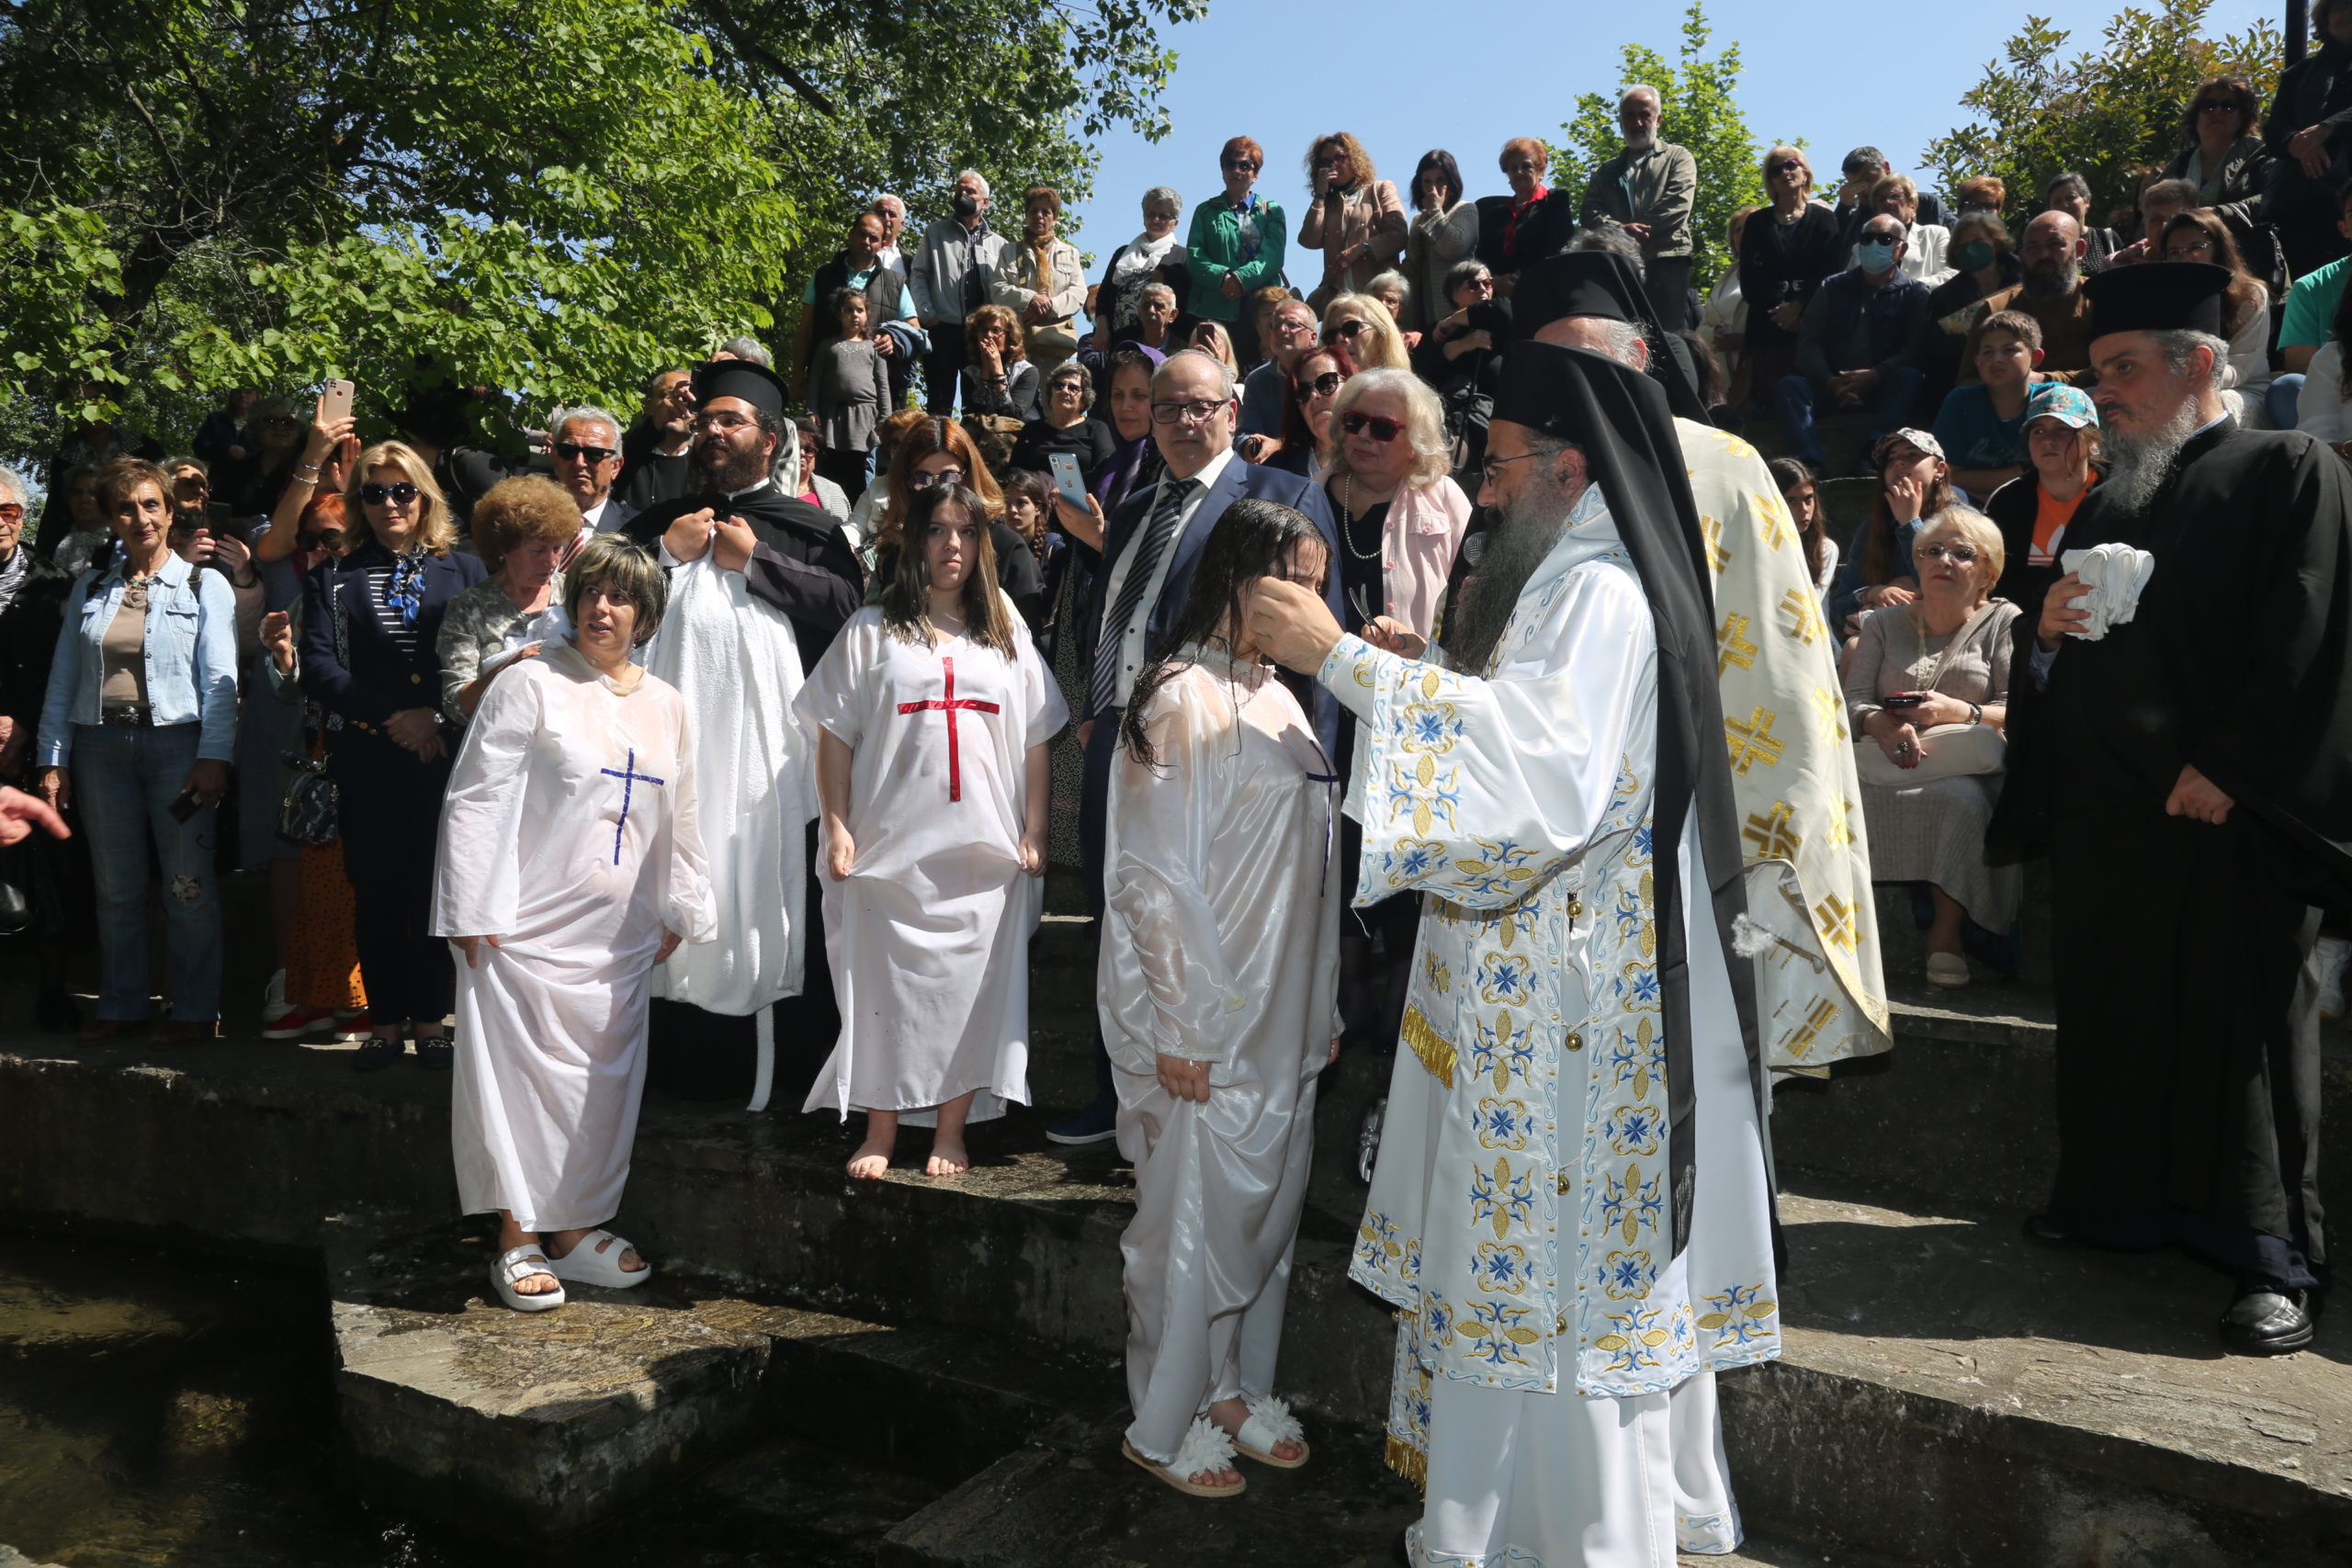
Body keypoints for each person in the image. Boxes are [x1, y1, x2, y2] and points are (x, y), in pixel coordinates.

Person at [1246, 339, 1777, 1567]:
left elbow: (1542, 780)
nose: (1482, 492)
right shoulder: (1571, 577)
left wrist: (1340, 661)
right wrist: (1421, 673)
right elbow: (1529, 725)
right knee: (1530, 1270)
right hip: (1546, 979)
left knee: (1552, 1282)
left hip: (1569, 1002)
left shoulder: (1599, 592)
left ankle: (1560, 1541)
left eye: (1499, 467)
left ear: (1568, 469)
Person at [1989, 260, 2352, 1355]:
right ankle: (2117, 1207)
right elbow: (2076, 661)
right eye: (2096, 373)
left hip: (2228, 819)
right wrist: (2043, 639)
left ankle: (2270, 1255)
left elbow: (2310, 640)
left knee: (2240, 1035)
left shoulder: (2287, 469)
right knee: (2118, 1013)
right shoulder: (2108, 499)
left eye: (2123, 370)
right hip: (2115, 821)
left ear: (2198, 364)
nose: (2102, 392)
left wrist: (2230, 769)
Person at [1520, 247, 1892, 1076]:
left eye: (1583, 357)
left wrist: (1785, 800)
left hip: (1704, 783)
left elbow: (1782, 653)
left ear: (1637, 357)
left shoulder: (1723, 465)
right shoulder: (1535, 466)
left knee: (1716, 1046)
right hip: (1580, 790)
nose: (1567, 383)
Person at [1047, 349, 1344, 1147]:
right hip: (1124, 735)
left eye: (1200, 406)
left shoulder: (1282, 496)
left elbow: (1318, 641)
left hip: (1227, 745)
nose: (1183, 420)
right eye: (1167, 407)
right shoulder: (1133, 506)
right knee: (1121, 908)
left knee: (1203, 914)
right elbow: (1114, 610)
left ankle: (1211, 1096)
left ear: (1232, 410)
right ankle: (1124, 1087)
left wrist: (1319, 768)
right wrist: (1098, 709)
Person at [1102, 500, 1339, 1495]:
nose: (1310, 603)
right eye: (1294, 582)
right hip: (1208, 1016)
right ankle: (1161, 1420)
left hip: (1284, 1012)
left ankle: (1230, 1390)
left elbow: (1316, 867)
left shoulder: (1283, 697)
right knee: (1189, 1221)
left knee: (1263, 1217)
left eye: (1319, 585)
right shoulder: (1178, 695)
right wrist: (1184, 1023)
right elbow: (1151, 876)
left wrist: (1321, 1007)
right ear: (1238, 579)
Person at [435, 535, 714, 1313]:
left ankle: (573, 1227)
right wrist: (469, 906)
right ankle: (517, 1234)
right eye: (591, 591)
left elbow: (682, 813)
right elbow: (477, 797)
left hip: (618, 935)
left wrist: (679, 902)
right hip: (523, 929)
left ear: (646, 615)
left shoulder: (668, 707)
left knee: (601, 1088)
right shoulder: (530, 683)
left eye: (621, 596)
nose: (602, 607)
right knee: (518, 1086)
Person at [797, 481, 1064, 1178]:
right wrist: (837, 825)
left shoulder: (1004, 632)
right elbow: (834, 736)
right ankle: (880, 1129)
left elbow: (1036, 737)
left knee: (970, 990)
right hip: (890, 843)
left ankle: (952, 1129)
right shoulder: (871, 630)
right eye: (939, 530)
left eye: (968, 532)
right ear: (914, 541)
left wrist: (1036, 828)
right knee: (883, 987)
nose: (953, 545)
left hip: (983, 849)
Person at [623, 359, 862, 1107]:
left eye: (732, 420)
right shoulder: (658, 524)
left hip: (770, 779)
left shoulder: (808, 529)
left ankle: (776, 1083)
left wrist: (757, 560)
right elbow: (600, 603)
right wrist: (665, 556)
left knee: (765, 906)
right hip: (667, 769)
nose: (714, 431)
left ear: (770, 439)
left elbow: (848, 609)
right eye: (708, 419)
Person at [33, 458, 237, 1045]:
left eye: (151, 504)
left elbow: (221, 680)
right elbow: (63, 679)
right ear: (110, 518)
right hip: (99, 749)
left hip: (179, 749)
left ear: (170, 512)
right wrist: (53, 759)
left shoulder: (205, 584)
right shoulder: (90, 588)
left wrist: (214, 756)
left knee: (187, 888)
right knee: (116, 891)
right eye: (126, 507)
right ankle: (122, 1005)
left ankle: (194, 1011)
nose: (140, 517)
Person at [296, 442, 482, 1068]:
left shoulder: (466, 571)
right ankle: (384, 1025)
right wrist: (394, 718)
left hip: (445, 756)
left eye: (403, 490)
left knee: (435, 891)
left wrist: (434, 715)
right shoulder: (332, 576)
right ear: (359, 503)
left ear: (425, 497)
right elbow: (318, 666)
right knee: (376, 895)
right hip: (369, 758)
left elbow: (485, 658)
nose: (390, 503)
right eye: (375, 492)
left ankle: (431, 1022)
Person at [1320, 369, 1468, 1062]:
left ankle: (1401, 1021)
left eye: (1384, 428)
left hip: (1412, 711)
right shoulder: (1315, 496)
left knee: (1404, 856)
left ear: (1418, 441)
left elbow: (1473, 609)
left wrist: (1423, 647)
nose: (1364, 438)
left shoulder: (1446, 501)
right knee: (1341, 857)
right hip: (1328, 709)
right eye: (1353, 423)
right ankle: (1349, 1003)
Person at [1843, 510, 2019, 988]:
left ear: (1988, 572)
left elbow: (2018, 707)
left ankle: (1946, 933)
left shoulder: (2003, 621)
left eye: (1963, 553)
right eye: (1933, 551)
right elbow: (1853, 700)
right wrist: (1880, 723)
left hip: (1966, 766)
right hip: (1885, 759)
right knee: (1838, 800)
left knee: (1959, 800)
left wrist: (1957, 711)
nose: (1944, 561)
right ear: (1918, 563)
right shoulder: (1882, 623)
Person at [0, 465, 78, 1030]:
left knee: (50, 871)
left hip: (36, 746)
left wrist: (23, 724)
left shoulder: (56, 584)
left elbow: (67, 669)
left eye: (8, 511)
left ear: (23, 517)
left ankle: (54, 991)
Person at [1776, 214, 1931, 468]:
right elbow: (1809, 341)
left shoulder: (1915, 293)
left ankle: (1873, 453)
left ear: (1901, 249)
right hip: (1831, 387)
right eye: (1867, 239)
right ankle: (1808, 464)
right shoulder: (1832, 286)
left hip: (1882, 388)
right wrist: (1829, 381)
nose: (1873, 245)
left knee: (1909, 378)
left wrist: (1877, 374)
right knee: (1790, 387)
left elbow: (1915, 348)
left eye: (1884, 239)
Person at [437, 475, 577, 724]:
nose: (551, 561)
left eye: (558, 548)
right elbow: (456, 704)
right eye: (538, 550)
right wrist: (510, 668)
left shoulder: (574, 592)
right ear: (503, 546)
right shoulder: (469, 607)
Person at [1579, 86, 1700, 326]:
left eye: (1645, 114)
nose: (1637, 122)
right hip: (1619, 264)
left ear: (1658, 119)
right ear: (1620, 122)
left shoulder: (1678, 157)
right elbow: (1589, 211)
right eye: (1630, 116)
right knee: (1624, 335)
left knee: (1668, 336)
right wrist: (1619, 230)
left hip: (1666, 259)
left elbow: (1677, 204)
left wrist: (1635, 231)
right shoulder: (1606, 171)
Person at [1739, 146, 1845, 411]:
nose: (1785, 172)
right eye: (1776, 170)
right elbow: (1751, 276)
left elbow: (1831, 271)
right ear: (1770, 180)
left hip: (1815, 325)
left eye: (1791, 165)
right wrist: (1782, 310)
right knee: (1767, 405)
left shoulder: (1825, 219)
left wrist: (1799, 306)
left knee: (1812, 402)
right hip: (1766, 328)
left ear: (1805, 172)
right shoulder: (1757, 222)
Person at [1984, 383, 2101, 617]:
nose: (2048, 440)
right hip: (2025, 627)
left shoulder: (2121, 494)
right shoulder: (2006, 502)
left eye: (2063, 429)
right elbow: (1991, 582)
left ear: (2092, 442)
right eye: (2038, 431)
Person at [1828, 429, 1955, 636]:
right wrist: (1873, 593)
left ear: (1939, 470)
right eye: (1891, 459)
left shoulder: (1962, 521)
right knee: (1854, 644)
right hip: (1891, 637)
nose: (1899, 463)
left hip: (1946, 633)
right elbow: (1839, 606)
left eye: (1912, 455)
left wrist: (1910, 523)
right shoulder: (1873, 528)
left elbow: (1950, 589)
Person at [2159, 210, 2275, 425]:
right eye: (2174, 252)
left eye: (2196, 248)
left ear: (2219, 249)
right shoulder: (2161, 301)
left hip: (2241, 391)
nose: (2185, 258)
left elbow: (2241, 369)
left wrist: (2186, 379)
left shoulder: (2250, 295)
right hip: (2172, 390)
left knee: (2198, 407)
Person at [793, 211, 918, 411]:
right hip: (826, 388)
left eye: (873, 238)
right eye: (862, 234)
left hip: (876, 396)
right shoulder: (823, 276)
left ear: (883, 244)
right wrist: (797, 375)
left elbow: (915, 329)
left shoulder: (896, 284)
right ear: (851, 234)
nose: (866, 241)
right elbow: (805, 329)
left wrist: (895, 339)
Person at [2262, 0, 2352, 276]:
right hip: (2297, 208)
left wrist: (2327, 128)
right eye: (2338, 5)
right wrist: (2298, 143)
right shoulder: (2298, 74)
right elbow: (2274, 130)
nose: (2346, 11)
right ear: (2325, 17)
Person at [1955, 212, 2097, 387]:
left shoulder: (2099, 299)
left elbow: (2113, 368)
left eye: (2055, 244)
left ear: (2079, 249)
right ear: (2022, 255)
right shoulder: (1995, 309)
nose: (2043, 255)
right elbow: (1968, 380)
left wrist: (2044, 381)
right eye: (2033, 247)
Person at [910, 170, 1012, 414]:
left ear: (985, 202)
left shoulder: (1000, 244)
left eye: (970, 191)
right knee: (938, 406)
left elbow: (1004, 290)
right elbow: (919, 274)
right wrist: (928, 314)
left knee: (977, 408)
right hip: (942, 328)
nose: (962, 195)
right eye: (959, 190)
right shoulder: (935, 232)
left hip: (981, 335)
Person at [1185, 138, 1287, 367]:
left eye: (1245, 165)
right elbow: (1195, 256)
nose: (1237, 171)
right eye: (1230, 164)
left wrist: (1241, 279)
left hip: (1260, 310)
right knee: (1216, 371)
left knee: (1262, 373)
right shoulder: (1205, 211)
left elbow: (1272, 257)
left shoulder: (1272, 211)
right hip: (1215, 307)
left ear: (1256, 174)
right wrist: (1223, 278)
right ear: (1222, 170)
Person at [1909, 211, 2023, 412]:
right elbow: (1935, 351)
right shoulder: (1944, 297)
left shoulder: (2026, 278)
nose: (1971, 249)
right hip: (1969, 378)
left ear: (1996, 242)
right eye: (1963, 246)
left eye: (1978, 241)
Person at [1933, 310, 2041, 497]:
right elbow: (1942, 475)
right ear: (1978, 362)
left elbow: (2059, 471)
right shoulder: (1960, 401)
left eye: (2010, 350)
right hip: (1968, 505)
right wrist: (2023, 472)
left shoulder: (2051, 399)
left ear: (2036, 357)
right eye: (1987, 352)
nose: (1997, 359)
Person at [1298, 132, 1407, 309]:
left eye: (1340, 157)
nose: (1333, 165)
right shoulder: (1328, 204)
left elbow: (1400, 235)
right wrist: (1320, 195)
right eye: (1326, 162)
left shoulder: (1379, 190)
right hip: (1340, 301)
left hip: (1377, 299)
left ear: (1354, 159)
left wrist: (1362, 248)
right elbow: (1308, 240)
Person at [2165, 75, 2273, 243]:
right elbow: (2154, 210)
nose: (2217, 111)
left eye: (2228, 106)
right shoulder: (2181, 162)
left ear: (2242, 117)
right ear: (2196, 116)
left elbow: (2275, 196)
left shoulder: (2257, 153)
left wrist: (2220, 213)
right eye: (2208, 106)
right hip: (2184, 254)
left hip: (2242, 252)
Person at [992, 186, 1087, 375]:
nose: (1039, 216)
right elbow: (997, 289)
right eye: (1034, 210)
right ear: (1026, 215)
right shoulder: (1009, 251)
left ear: (1055, 218)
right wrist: (1030, 298)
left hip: (1054, 346)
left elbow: (1079, 293)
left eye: (1046, 212)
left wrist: (1049, 306)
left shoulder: (1069, 253)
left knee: (1052, 391)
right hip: (1016, 345)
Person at [1093, 187, 1192, 360]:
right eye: (1150, 214)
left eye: (1163, 216)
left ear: (1175, 223)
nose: (1155, 220)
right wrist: (1101, 327)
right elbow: (1105, 295)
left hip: (1161, 347)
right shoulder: (1123, 253)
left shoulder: (1183, 257)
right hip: (1121, 341)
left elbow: (1186, 306)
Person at [810, 289, 888, 504]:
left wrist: (885, 418)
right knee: (832, 468)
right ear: (839, 314)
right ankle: (832, 511)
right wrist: (812, 410)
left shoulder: (873, 347)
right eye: (849, 310)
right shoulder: (827, 346)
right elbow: (815, 381)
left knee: (861, 469)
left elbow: (882, 385)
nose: (854, 315)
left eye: (859, 310)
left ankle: (859, 512)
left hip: (864, 418)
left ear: (867, 314)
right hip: (833, 417)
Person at [1476, 137, 1577, 294]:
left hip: (1542, 291)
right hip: (1498, 296)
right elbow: (1481, 258)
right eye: (1513, 168)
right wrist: (1495, 281)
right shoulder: (1494, 215)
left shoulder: (1555, 201)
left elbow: (1559, 249)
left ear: (1540, 171)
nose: (1519, 172)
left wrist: (1522, 280)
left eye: (1526, 166)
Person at [1406, 150, 1478, 333]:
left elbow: (1453, 248)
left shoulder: (1466, 210)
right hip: (1422, 314)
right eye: (1427, 181)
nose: (1433, 188)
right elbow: (1414, 260)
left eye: (1440, 180)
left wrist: (1435, 212)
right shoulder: (1418, 221)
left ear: (1452, 183)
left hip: (1454, 313)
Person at [1011, 361, 1114, 489]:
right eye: (1059, 385)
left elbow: (1105, 470)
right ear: (1051, 394)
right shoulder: (1032, 429)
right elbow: (1015, 470)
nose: (1065, 391)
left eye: (1073, 388)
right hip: (1035, 496)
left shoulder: (1097, 429)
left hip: (1078, 497)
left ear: (1084, 400)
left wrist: (1065, 488)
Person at [1263, 343, 1356, 479]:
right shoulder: (1277, 470)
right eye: (1303, 391)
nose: (1314, 395)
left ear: (1352, 386)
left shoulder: (1373, 460)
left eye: (1326, 383)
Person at [1238, 297, 1318, 452]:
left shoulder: (1329, 376)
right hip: (1271, 465)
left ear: (1312, 338)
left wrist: (1280, 444)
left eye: (1292, 325)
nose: (1282, 330)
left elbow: (1329, 434)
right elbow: (1246, 433)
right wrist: (1251, 447)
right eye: (1275, 326)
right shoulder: (1256, 381)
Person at [1833, 146, 1948, 246]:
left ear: (1886, 168)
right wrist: (1843, 207)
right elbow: (1830, 252)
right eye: (1855, 184)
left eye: (1869, 179)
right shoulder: (1850, 219)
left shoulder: (1927, 204)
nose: (1865, 188)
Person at [618, 368, 697, 513]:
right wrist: (655, 423)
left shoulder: (704, 465)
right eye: (667, 396)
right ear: (648, 405)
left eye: (686, 399)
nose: (677, 404)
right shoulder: (624, 457)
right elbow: (626, 444)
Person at [547, 405, 632, 534]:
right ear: (555, 459)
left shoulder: (637, 528)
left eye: (594, 454)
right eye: (568, 451)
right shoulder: (525, 522)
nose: (579, 463)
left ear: (615, 466)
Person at [1857, 175, 1952, 286]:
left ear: (1912, 204)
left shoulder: (1935, 234)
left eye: (1895, 196)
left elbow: (1950, 274)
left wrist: (1909, 288)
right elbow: (1852, 283)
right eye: (1881, 200)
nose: (1887, 202)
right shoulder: (1864, 244)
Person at [1770, 456, 1839, 601]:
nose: (1804, 509)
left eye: (1808, 499)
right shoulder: (1755, 544)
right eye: (1791, 501)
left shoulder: (1824, 549)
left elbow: (1809, 602)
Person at [958, 304, 1041, 425]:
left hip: (1020, 432)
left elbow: (1012, 416)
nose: (989, 335)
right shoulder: (970, 372)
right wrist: (985, 372)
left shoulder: (1027, 372)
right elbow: (971, 415)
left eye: (996, 330)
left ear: (1009, 336)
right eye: (984, 330)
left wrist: (997, 371)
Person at [1702, 208, 1751, 400]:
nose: (1743, 234)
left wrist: (1746, 341)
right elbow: (1705, 322)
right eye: (1738, 229)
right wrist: (1713, 335)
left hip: (1755, 371)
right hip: (1721, 374)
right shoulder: (1727, 276)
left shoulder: (1775, 271)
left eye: (1749, 227)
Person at [2102, 179, 2199, 268]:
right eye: (2156, 219)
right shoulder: (2116, 265)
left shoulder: (2204, 262)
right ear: (2145, 223)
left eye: (2176, 218)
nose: (2165, 227)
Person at [2043, 172, 2121, 272]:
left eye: (2070, 198)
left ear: (2087, 201)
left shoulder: (2106, 238)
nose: (2065, 205)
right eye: (2057, 202)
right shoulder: (2045, 245)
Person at [1320, 292, 1411, 372]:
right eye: (1331, 334)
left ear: (1381, 336)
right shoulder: (1316, 386)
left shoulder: (1403, 386)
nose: (1339, 338)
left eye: (1351, 328)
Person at [1117, 282, 1181, 363]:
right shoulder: (1127, 351)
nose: (1151, 311)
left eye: (1159, 305)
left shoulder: (1183, 353)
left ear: (1172, 315)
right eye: (1146, 305)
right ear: (1139, 312)